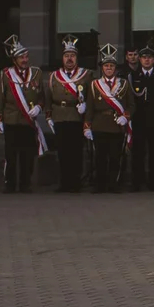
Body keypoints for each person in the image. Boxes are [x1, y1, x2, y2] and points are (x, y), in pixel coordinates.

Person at [0, 35, 46, 194]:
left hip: (27, 121)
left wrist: (38, 107)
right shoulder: (6, 74)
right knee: (10, 155)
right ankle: (10, 184)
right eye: (21, 57)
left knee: (27, 155)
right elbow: (0, 98)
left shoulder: (36, 73)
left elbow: (42, 97)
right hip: (11, 120)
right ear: (14, 60)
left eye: (26, 56)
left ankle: (25, 184)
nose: (25, 60)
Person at [84, 44, 135, 194]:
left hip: (116, 126)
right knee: (99, 158)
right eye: (106, 66)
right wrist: (87, 126)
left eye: (111, 66)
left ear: (115, 68)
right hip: (99, 125)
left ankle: (114, 184)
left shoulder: (124, 84)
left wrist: (126, 117)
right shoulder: (95, 85)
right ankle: (100, 185)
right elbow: (90, 107)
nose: (109, 68)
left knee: (115, 158)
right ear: (102, 68)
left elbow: (131, 105)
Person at [46, 35, 90, 193]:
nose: (69, 59)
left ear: (76, 58)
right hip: (59, 116)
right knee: (62, 152)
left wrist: (85, 107)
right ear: (62, 58)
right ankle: (64, 183)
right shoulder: (53, 77)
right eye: (66, 56)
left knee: (76, 152)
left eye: (72, 56)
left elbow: (91, 97)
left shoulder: (86, 75)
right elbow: (47, 98)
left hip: (77, 116)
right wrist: (49, 116)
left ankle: (75, 183)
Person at [129, 46, 154, 191]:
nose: (146, 60)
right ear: (140, 59)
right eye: (144, 57)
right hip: (138, 121)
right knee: (138, 154)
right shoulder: (133, 76)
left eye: (149, 57)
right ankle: (136, 182)